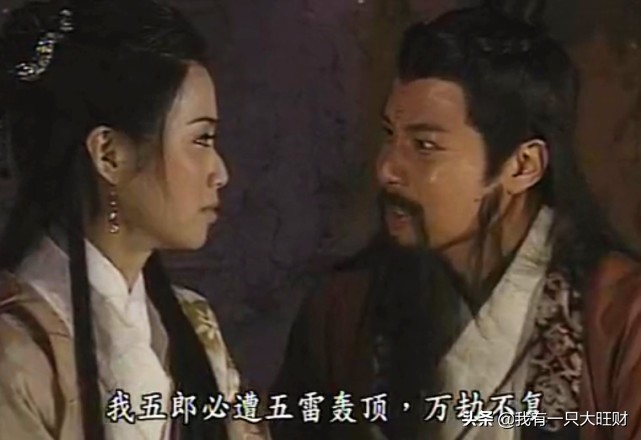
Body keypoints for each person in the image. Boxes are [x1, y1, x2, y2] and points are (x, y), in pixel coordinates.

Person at [272, 2, 641, 440]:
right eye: (390, 135)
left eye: (424, 146)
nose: (387, 169)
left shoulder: (622, 316)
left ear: (523, 166)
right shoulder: (343, 310)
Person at [0, 0, 270, 439]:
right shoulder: (16, 351)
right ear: (110, 154)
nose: (220, 172)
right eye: (201, 139)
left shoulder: (193, 325)